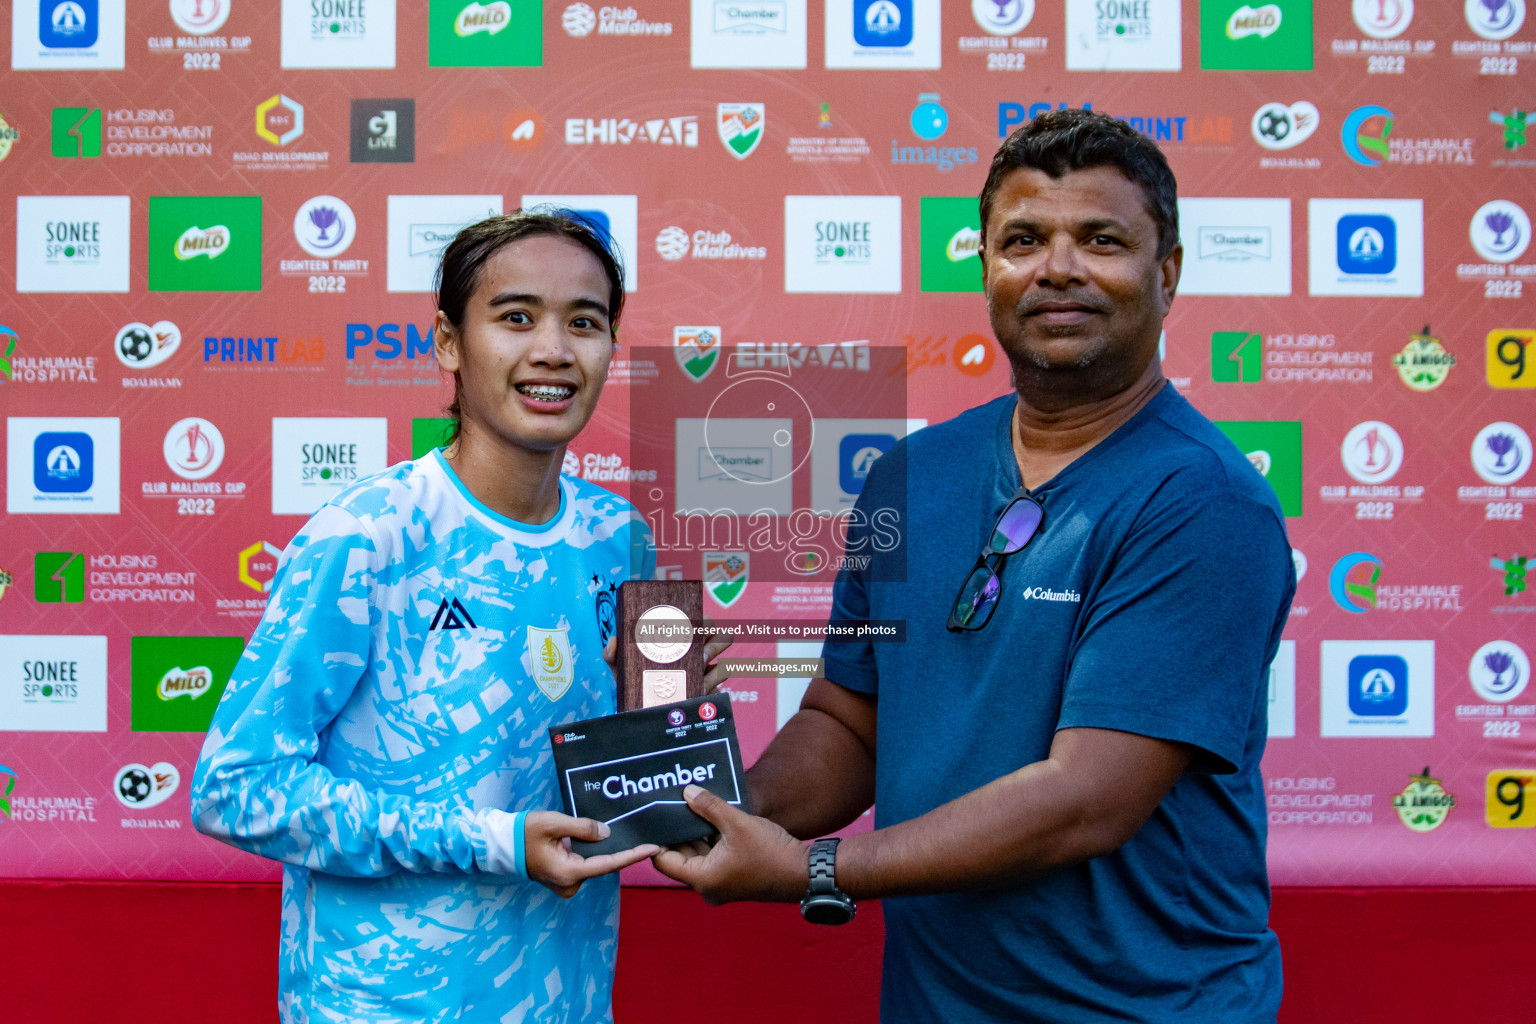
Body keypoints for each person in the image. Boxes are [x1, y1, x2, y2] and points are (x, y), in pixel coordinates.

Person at [654, 108, 1295, 1023]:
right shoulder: (911, 475)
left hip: (1146, 1008)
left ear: (1168, 274)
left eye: (1101, 240)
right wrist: (725, 806)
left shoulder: (1202, 502)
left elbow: (1086, 800)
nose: (1058, 268)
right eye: (1023, 240)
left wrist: (809, 869)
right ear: (988, 269)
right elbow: (850, 720)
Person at [191, 210, 726, 1023]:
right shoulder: (369, 534)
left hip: (566, 1001)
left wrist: (661, 730)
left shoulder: (620, 538)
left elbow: (625, 793)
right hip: (379, 1005)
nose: (552, 350)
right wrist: (491, 841)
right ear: (448, 342)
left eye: (584, 323)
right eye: (516, 318)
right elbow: (236, 789)